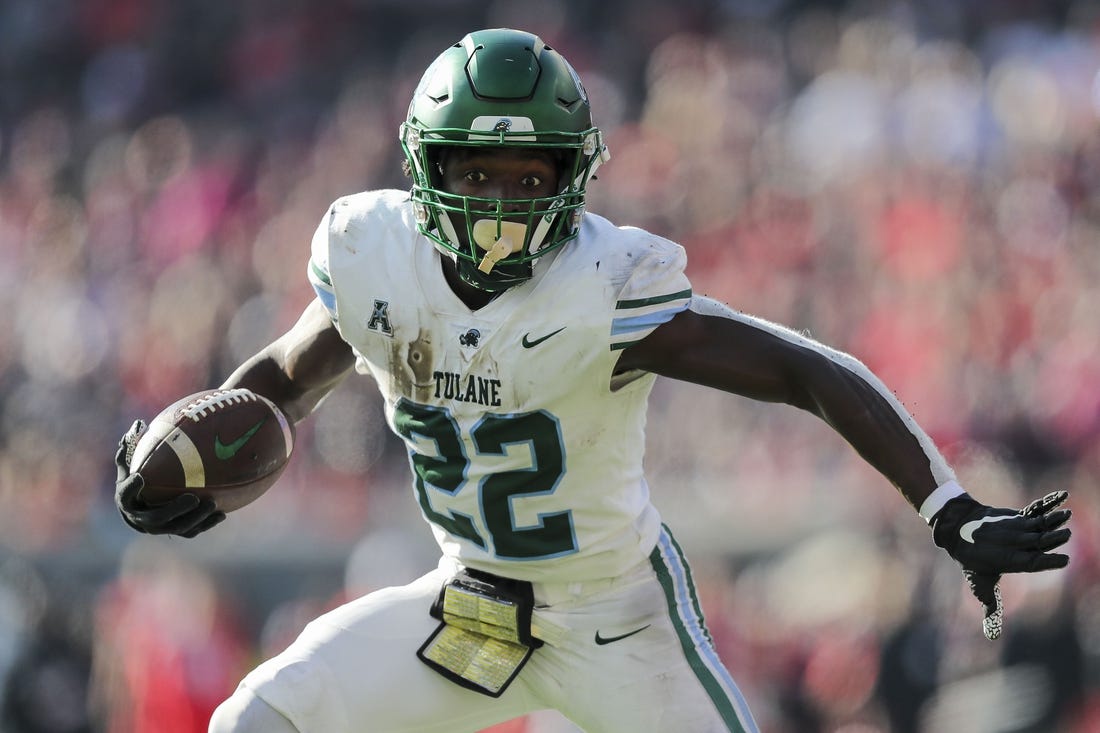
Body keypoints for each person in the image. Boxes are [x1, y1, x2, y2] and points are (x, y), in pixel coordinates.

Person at [112, 28, 1073, 733]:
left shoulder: (604, 285)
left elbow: (804, 368)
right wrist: (191, 458)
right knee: (255, 721)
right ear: (423, 170)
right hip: (469, 603)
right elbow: (281, 381)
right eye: (475, 174)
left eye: (528, 178)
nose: (498, 206)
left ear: (573, 179)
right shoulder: (376, 259)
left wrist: (945, 507)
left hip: (621, 618)